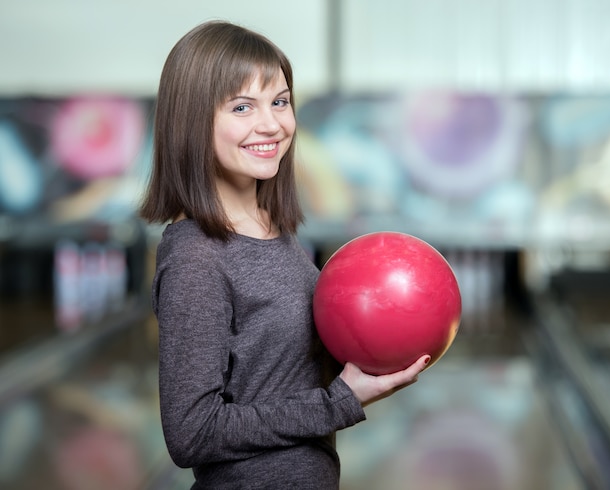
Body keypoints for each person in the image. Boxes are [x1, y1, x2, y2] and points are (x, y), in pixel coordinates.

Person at [139, 20, 431, 489]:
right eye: (242, 106)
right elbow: (191, 433)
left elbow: (277, 372)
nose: (272, 124)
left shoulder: (272, 229)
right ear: (191, 120)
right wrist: (340, 401)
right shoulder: (196, 257)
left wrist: (372, 352)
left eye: (279, 101)